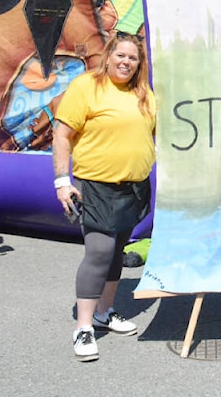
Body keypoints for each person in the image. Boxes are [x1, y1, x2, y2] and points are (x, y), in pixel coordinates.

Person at [52, 32, 156, 362]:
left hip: (134, 187)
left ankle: (104, 312)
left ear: (140, 64)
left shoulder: (144, 94)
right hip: (94, 185)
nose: (126, 62)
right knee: (99, 251)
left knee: (116, 253)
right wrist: (61, 181)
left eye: (133, 58)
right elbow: (62, 134)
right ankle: (84, 327)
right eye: (121, 55)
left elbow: (157, 135)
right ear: (109, 55)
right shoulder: (87, 87)